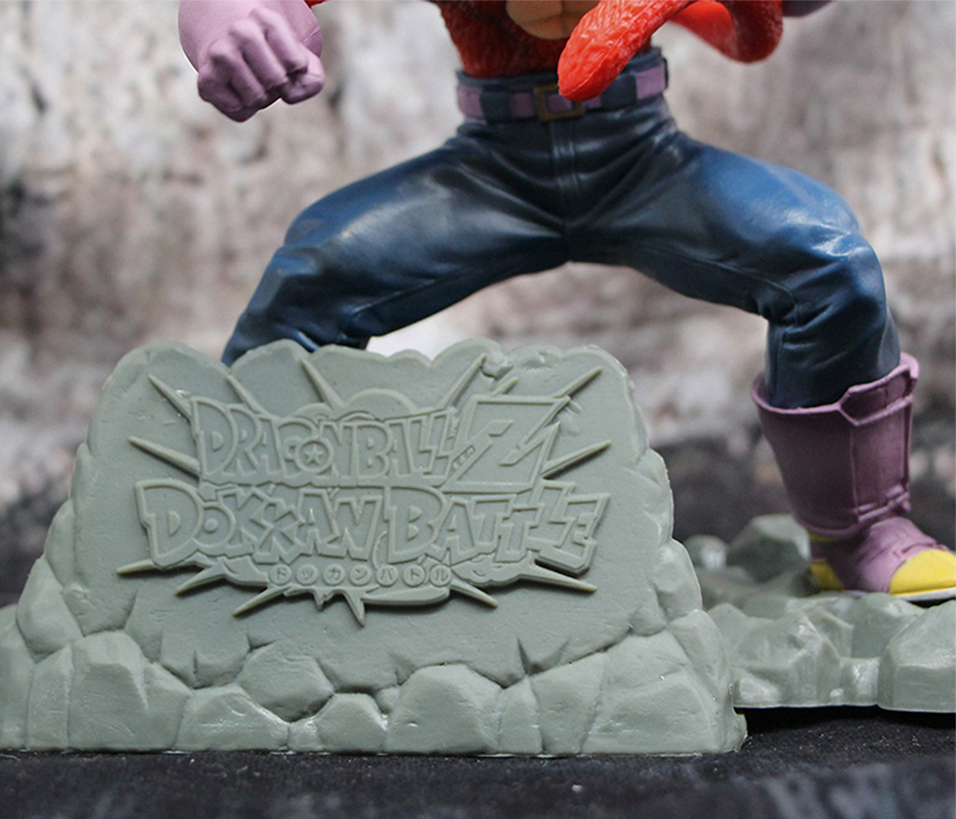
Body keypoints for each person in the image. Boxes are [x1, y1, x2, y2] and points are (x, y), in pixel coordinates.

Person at [177, 0, 955, 602]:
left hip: (639, 157)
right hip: (492, 171)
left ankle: (858, 534)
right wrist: (228, 22)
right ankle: (238, 521)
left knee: (827, 263)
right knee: (316, 271)